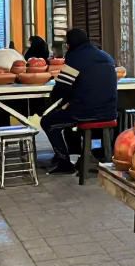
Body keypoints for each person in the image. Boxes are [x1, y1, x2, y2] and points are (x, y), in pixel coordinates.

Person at [41, 28, 118, 175]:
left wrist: (55, 100)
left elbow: (61, 89)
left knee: (48, 122)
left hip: (84, 112)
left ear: (69, 45)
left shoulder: (74, 58)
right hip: (110, 112)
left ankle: (64, 162)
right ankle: (87, 156)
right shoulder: (106, 56)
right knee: (68, 115)